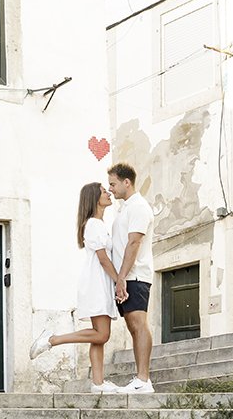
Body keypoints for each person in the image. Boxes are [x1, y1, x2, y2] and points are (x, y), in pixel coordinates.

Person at [28, 182, 123, 393]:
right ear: (93, 198)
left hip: (99, 284)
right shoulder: (94, 225)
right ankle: (53, 340)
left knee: (98, 336)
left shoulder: (97, 224)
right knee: (102, 335)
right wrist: (119, 281)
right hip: (97, 284)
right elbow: (103, 259)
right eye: (104, 191)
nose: (108, 193)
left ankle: (98, 384)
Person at [107, 162, 154, 393]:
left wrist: (122, 277)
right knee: (133, 327)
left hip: (135, 276)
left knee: (138, 324)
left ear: (127, 182)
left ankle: (143, 380)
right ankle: (141, 379)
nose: (111, 189)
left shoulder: (139, 207)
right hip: (126, 277)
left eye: (113, 184)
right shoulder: (124, 208)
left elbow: (134, 242)